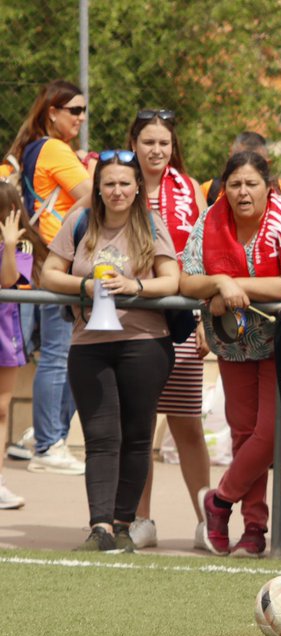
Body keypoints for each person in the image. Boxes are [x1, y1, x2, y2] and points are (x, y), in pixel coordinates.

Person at [180, 151, 281, 557]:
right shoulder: (210, 219)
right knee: (244, 434)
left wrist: (232, 285)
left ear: (268, 186)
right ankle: (254, 528)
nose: (242, 192)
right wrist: (220, 283)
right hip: (233, 341)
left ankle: (219, 500)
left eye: (251, 184)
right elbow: (187, 281)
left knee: (274, 430)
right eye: (235, 184)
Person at [39, 149, 180, 551]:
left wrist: (134, 287)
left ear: (137, 187)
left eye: (124, 183)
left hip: (144, 343)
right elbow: (50, 271)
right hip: (89, 344)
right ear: (98, 188)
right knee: (100, 438)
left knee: (137, 437)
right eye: (109, 184)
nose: (117, 191)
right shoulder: (79, 220)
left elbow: (171, 280)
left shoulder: (152, 225)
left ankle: (123, 525)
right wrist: (84, 286)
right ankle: (99, 526)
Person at [122, 108, 211, 550]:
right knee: (138, 425)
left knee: (187, 425)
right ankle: (141, 520)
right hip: (132, 320)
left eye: (164, 143)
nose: (156, 150)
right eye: (148, 142)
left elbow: (204, 250)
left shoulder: (190, 188)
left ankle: (204, 522)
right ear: (133, 144)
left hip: (180, 318)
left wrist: (204, 319)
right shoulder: (118, 184)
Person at [3, 79, 92, 476]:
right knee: (62, 355)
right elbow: (97, 194)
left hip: (29, 262)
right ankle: (49, 443)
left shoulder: (30, 148)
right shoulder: (55, 149)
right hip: (54, 261)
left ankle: (39, 436)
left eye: (83, 111)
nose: (81, 117)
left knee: (52, 356)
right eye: (74, 110)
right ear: (51, 112)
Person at [0, 184, 47, 509]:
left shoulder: (24, 245)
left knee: (0, 410)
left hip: (5, 335)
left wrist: (10, 244)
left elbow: (9, 281)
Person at [201, 132, 281, 216]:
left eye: (256, 164)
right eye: (239, 162)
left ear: (268, 165)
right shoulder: (209, 191)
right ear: (229, 160)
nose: (243, 191)